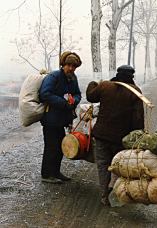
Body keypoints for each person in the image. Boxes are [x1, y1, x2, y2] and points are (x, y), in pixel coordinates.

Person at [86, 65, 144, 205]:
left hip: (101, 135)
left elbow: (90, 96)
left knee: (103, 165)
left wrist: (93, 83)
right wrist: (138, 138)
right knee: (118, 165)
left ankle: (104, 196)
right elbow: (138, 118)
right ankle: (113, 187)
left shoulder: (105, 86)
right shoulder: (135, 92)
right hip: (121, 139)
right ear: (131, 77)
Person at [39, 51, 82, 184]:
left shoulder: (73, 78)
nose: (71, 68)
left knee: (59, 147)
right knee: (51, 147)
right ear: (63, 65)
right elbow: (44, 94)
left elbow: (78, 94)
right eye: (68, 65)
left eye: (74, 66)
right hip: (51, 119)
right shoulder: (54, 77)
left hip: (61, 119)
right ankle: (46, 175)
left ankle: (55, 172)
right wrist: (64, 103)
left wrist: (73, 101)